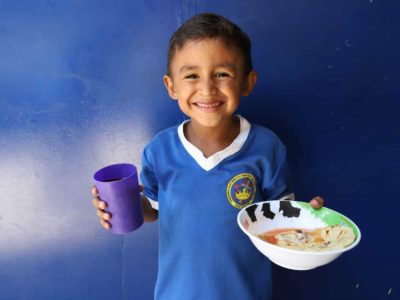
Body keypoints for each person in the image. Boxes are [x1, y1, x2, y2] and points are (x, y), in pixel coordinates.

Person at [92, 13, 324, 300]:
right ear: (171, 86)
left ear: (248, 83)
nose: (207, 88)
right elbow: (155, 209)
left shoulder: (267, 147)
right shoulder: (159, 151)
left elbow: (280, 220)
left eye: (222, 74)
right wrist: (121, 206)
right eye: (191, 75)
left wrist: (308, 221)